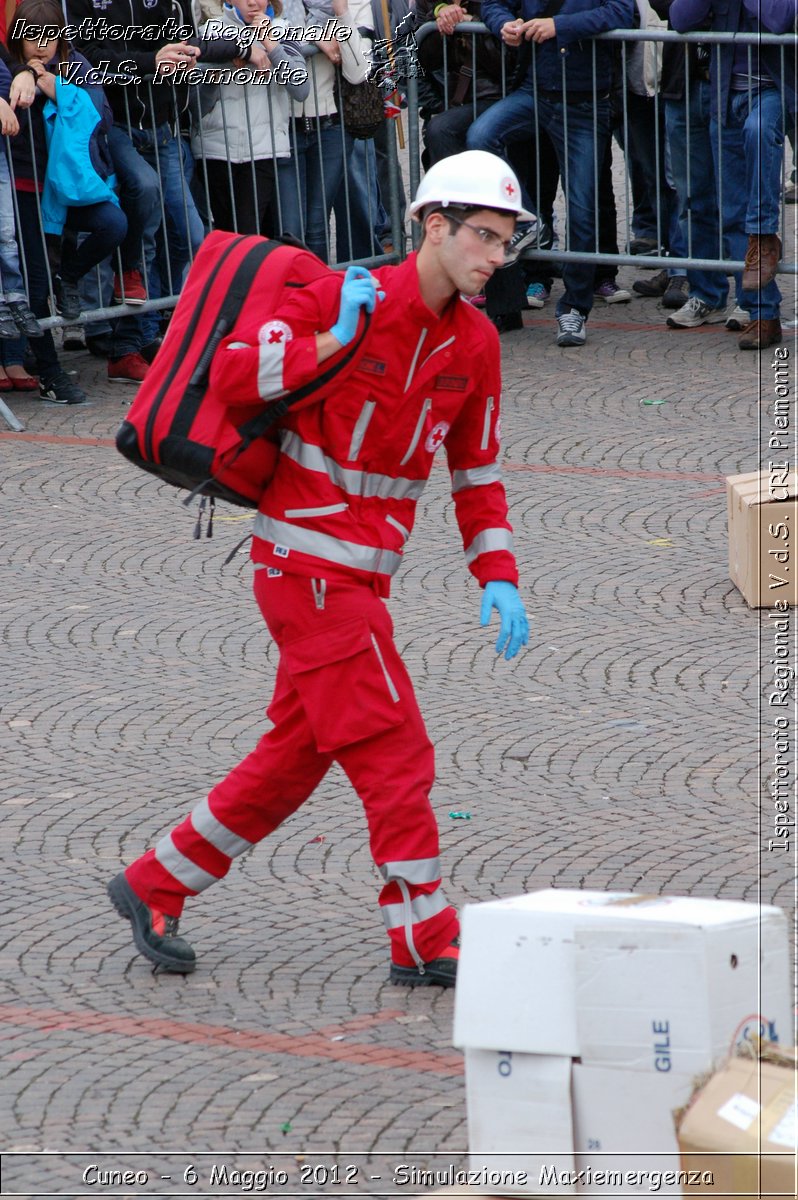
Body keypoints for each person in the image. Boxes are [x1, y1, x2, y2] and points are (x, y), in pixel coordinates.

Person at [107, 149, 530, 988]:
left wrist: (499, 573)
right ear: (432, 226)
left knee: (296, 756)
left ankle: (158, 880)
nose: (494, 256)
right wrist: (335, 336)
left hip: (362, 576)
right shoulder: (348, 296)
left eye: (506, 242)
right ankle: (422, 934)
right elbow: (231, 371)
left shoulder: (478, 342)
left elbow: (475, 472)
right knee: (394, 749)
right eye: (482, 235)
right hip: (304, 569)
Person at [465, 0, 635, 347]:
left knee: (584, 211)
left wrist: (560, 25)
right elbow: (492, 3)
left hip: (587, 100)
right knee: (480, 137)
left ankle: (574, 308)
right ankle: (529, 222)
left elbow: (623, 11)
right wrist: (504, 25)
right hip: (535, 90)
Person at [7, 0, 129, 404]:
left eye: (49, 36)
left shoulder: (75, 63)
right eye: (31, 37)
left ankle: (70, 277)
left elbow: (102, 116)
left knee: (114, 224)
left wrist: (54, 86)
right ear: (18, 38)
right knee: (36, 282)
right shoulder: (8, 67)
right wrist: (24, 75)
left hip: (71, 188)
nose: (40, 45)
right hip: (28, 187)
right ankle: (51, 373)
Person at [670, 0, 795, 350]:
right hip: (723, 96)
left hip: (772, 89)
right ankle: (762, 315)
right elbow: (680, 19)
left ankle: (764, 241)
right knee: (733, 211)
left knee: (758, 134)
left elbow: (781, 19)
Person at [191, 0, 310, 236]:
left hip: (262, 152)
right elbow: (195, 107)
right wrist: (229, 62)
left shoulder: (282, 28)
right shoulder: (210, 32)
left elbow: (301, 89)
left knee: (250, 235)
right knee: (226, 237)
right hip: (215, 152)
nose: (253, 2)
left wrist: (271, 46)